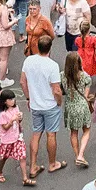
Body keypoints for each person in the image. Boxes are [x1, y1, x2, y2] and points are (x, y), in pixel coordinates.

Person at [23, 35, 66, 176]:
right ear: (50, 48)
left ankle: (33, 166)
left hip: (35, 104)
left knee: (36, 134)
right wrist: (59, 101)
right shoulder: (52, 66)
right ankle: (52, 163)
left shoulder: (29, 61)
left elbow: (22, 81)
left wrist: (29, 98)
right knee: (51, 134)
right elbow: (56, 89)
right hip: (50, 105)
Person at [0, 89, 34, 186]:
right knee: (4, 157)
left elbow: (19, 121)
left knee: (22, 156)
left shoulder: (16, 108)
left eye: (13, 99)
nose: (13, 101)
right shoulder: (3, 114)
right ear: (5, 101)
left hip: (17, 137)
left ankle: (25, 178)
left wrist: (20, 118)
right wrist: (12, 120)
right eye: (10, 99)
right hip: (7, 140)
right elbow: (5, 128)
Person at [61, 51, 94, 167]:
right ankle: (81, 155)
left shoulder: (62, 76)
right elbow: (85, 95)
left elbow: (61, 90)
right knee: (86, 130)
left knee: (73, 133)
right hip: (82, 106)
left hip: (70, 106)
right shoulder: (85, 77)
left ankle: (77, 156)